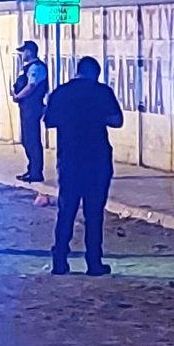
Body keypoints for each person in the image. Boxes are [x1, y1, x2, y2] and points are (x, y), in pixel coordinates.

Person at [43, 56, 124, 276]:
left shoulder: (61, 92)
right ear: (95, 73)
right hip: (97, 158)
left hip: (70, 158)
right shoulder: (101, 92)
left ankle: (60, 260)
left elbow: (49, 121)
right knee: (94, 212)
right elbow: (117, 120)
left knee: (66, 210)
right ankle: (94, 262)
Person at [12, 41, 49, 183]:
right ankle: (31, 169)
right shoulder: (28, 68)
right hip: (26, 107)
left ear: (30, 51)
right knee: (27, 139)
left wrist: (18, 96)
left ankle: (36, 172)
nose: (22, 54)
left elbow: (31, 86)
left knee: (32, 140)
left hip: (32, 107)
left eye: (23, 51)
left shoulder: (36, 68)